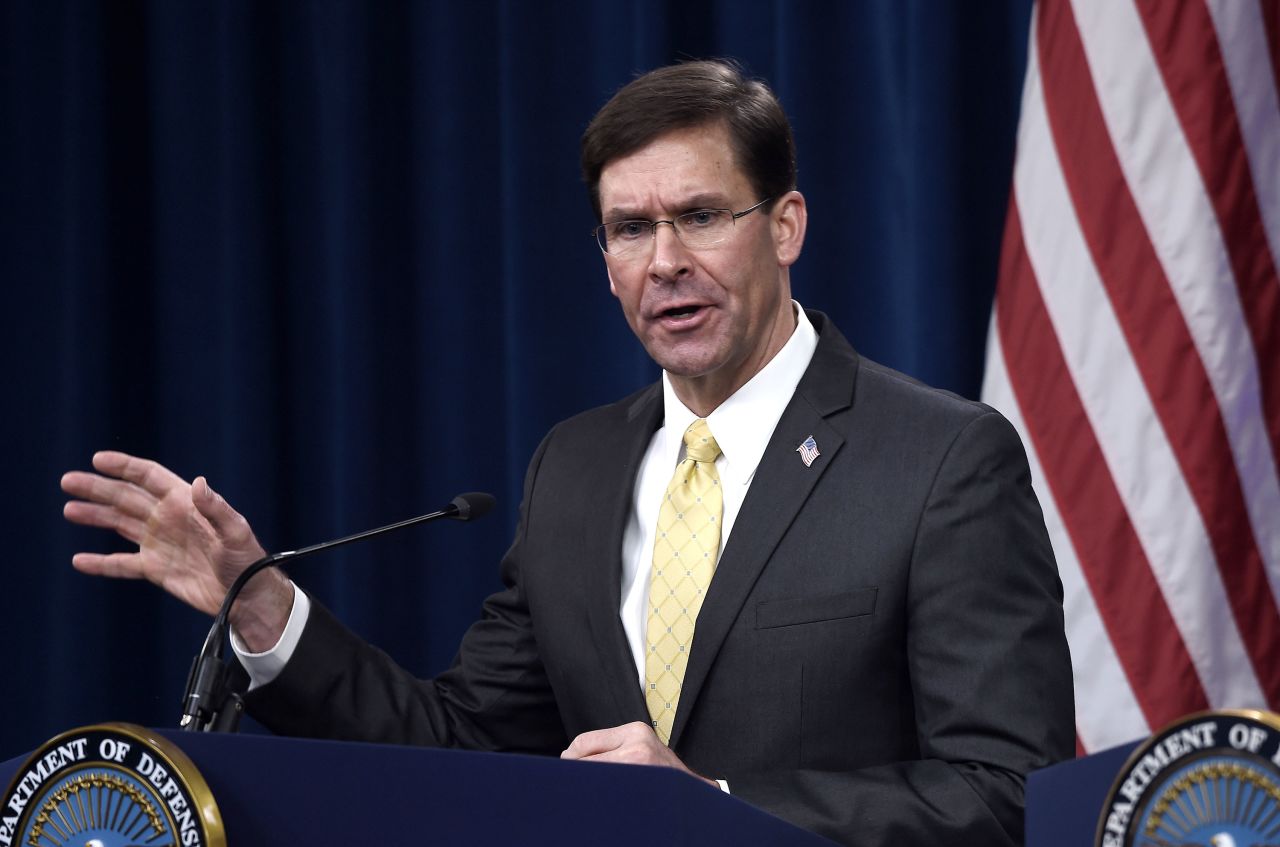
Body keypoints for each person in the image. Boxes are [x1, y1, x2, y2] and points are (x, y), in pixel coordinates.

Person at [62, 60, 1074, 845]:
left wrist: (711, 806)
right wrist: (266, 609)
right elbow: (459, 749)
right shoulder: (577, 468)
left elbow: (1000, 795)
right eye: (628, 229)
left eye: (699, 216)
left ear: (784, 226)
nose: (664, 261)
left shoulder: (942, 460)